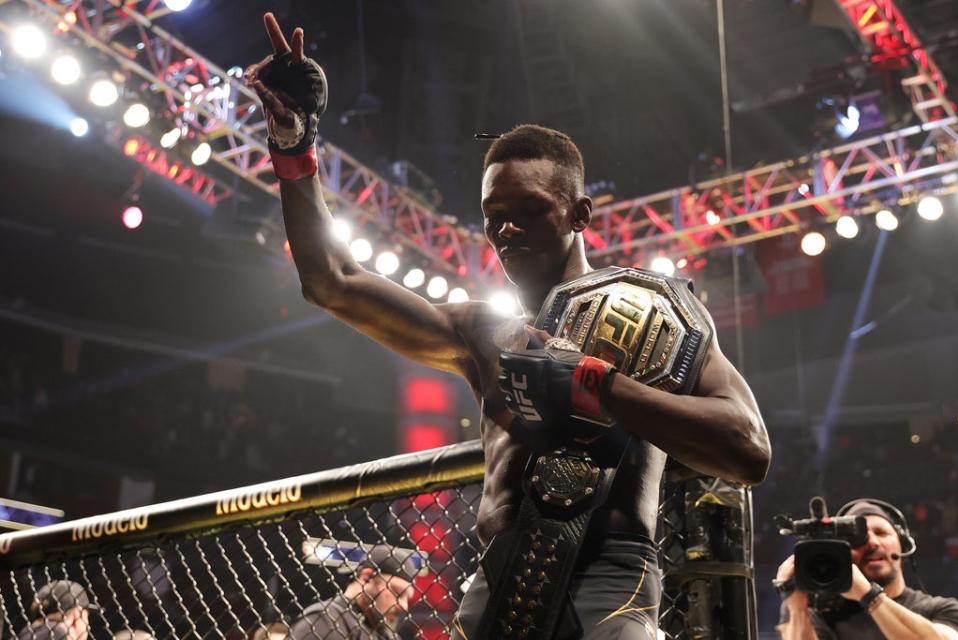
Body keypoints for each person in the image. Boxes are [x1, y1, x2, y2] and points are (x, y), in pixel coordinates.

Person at [245, 13, 770, 639]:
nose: (508, 229)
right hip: (495, 581)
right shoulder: (480, 331)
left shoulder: (653, 319)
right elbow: (333, 281)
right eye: (496, 215)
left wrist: (594, 381)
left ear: (579, 213)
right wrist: (293, 144)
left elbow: (748, 447)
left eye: (530, 211)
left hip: (611, 582)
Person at [776, 500, 958, 639]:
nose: (872, 542)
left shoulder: (942, 608)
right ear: (843, 552)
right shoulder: (821, 614)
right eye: (858, 538)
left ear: (903, 544)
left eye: (881, 533)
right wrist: (797, 606)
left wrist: (868, 595)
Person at [288, 545, 420, 640]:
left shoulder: (383, 635)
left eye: (407, 598)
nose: (404, 606)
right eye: (397, 593)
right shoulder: (325, 622)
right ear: (367, 578)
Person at [17, 580, 98, 640]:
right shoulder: (58, 633)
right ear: (76, 616)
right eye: (87, 616)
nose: (88, 626)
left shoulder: (25, 633)